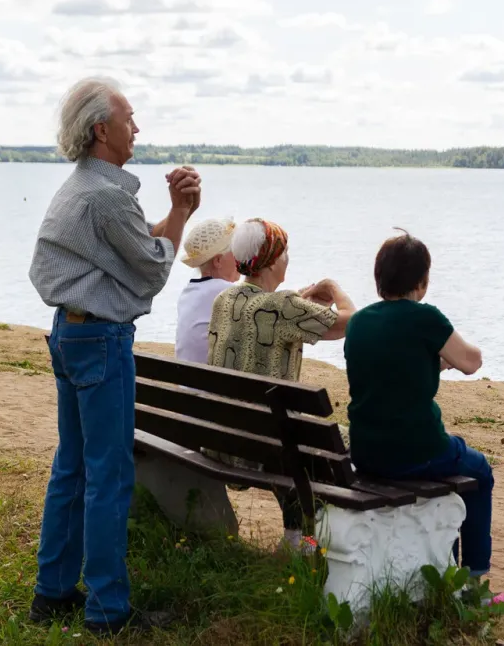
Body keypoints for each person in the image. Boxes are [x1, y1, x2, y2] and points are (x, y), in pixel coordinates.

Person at [27, 76, 201, 636]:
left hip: (68, 334)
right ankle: (107, 610)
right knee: (109, 476)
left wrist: (170, 221)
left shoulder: (79, 188)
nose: (137, 127)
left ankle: (52, 592)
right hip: (100, 340)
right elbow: (151, 266)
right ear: (102, 129)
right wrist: (181, 211)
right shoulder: (104, 196)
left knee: (72, 468)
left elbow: (130, 249)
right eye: (129, 117)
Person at [343, 230, 494, 580]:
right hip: (417, 452)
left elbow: (389, 367)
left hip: (365, 452)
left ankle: (447, 565)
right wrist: (452, 356)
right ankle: (473, 574)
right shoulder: (425, 318)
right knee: (480, 471)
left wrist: (432, 360)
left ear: (379, 279)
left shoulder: (360, 321)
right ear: (422, 283)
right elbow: (472, 362)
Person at [207, 218, 356, 548]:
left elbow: (265, 317)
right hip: (270, 448)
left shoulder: (224, 300)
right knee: (348, 439)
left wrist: (301, 302)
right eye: (285, 251)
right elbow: (354, 322)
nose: (288, 257)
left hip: (225, 441)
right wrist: (333, 289)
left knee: (287, 435)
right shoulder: (283, 307)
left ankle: (294, 537)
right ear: (273, 259)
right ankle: (311, 542)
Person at [175, 217, 240, 363]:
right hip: (208, 383)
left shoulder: (188, 292)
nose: (241, 258)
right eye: (236, 252)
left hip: (186, 381)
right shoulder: (226, 291)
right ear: (218, 261)